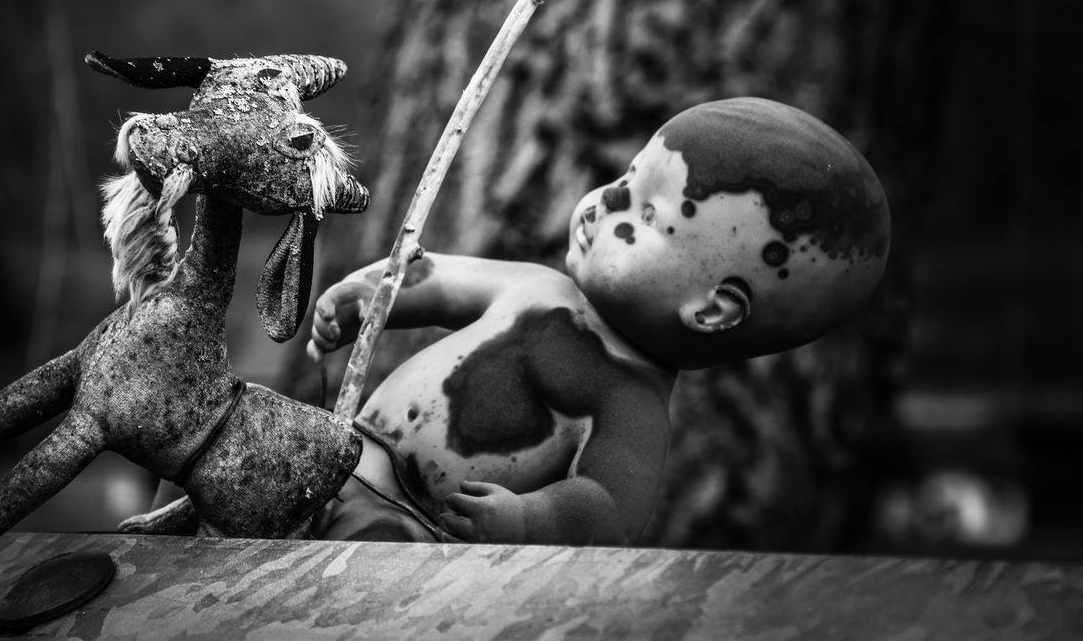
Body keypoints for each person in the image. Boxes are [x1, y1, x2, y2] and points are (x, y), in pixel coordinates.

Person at [307, 97, 891, 546]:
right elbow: (437, 279)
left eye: (646, 213)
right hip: (339, 455)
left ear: (711, 310)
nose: (601, 204)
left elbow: (607, 509)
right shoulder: (537, 286)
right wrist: (364, 297)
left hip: (412, 528)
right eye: (625, 180)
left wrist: (525, 519)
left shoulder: (628, 401)